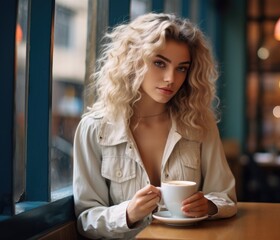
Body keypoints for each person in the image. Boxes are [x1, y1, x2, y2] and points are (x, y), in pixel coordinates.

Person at [73, 12, 237, 239]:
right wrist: (128, 213)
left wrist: (209, 206)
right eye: (159, 63)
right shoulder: (94, 129)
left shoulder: (199, 124)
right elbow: (86, 218)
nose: (171, 78)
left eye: (182, 68)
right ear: (132, 62)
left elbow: (225, 197)